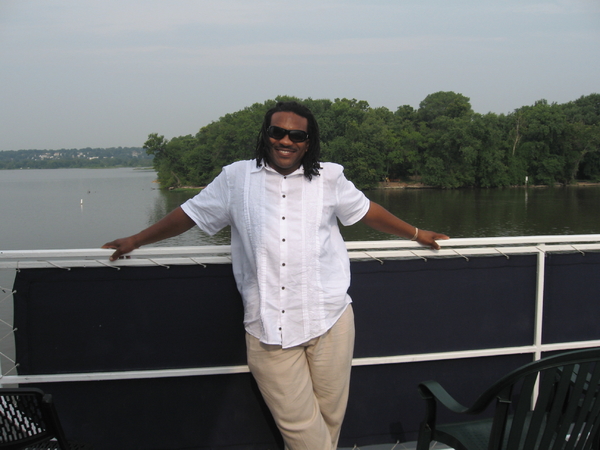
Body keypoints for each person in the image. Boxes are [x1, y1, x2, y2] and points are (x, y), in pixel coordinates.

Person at [102, 101, 448, 450]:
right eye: (277, 132)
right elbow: (189, 215)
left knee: (329, 421)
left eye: (297, 135)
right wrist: (137, 240)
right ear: (265, 135)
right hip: (268, 326)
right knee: (301, 429)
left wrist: (417, 233)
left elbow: (367, 212)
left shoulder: (329, 178)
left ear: (308, 142)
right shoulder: (236, 179)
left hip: (330, 320)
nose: (286, 140)